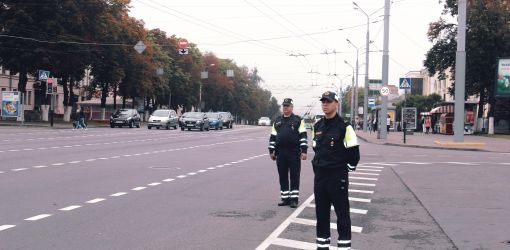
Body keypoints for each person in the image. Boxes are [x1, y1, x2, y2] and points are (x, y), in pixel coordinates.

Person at [311, 91, 360, 250]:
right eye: (323, 101)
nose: (325, 104)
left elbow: (354, 153)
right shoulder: (317, 126)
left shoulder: (345, 127)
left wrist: (345, 170)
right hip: (320, 177)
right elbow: (315, 148)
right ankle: (322, 246)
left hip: (337, 177)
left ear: (336, 104)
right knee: (321, 215)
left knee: (342, 215)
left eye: (328, 101)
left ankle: (344, 247)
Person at [268, 98, 308, 208]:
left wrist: (304, 151)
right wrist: (271, 151)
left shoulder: (298, 120)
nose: (285, 107)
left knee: (294, 176)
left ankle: (294, 199)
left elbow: (303, 136)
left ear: (292, 107)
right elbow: (273, 137)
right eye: (284, 106)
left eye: (287, 106)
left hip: (294, 152)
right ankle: (285, 198)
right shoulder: (277, 121)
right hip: (280, 153)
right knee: (282, 176)